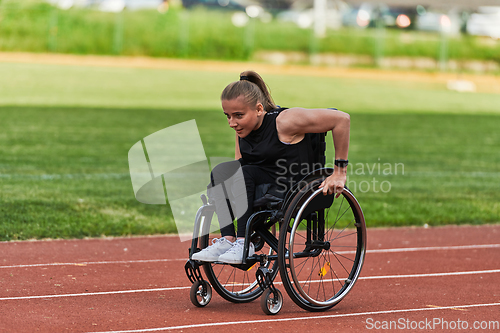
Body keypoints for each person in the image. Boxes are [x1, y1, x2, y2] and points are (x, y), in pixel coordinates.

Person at [192, 70, 350, 264]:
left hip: (290, 181)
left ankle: (244, 244)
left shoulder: (285, 120)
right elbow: (240, 163)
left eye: (238, 116)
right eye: (228, 116)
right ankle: (228, 240)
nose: (232, 123)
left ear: (259, 109)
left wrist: (339, 172)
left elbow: (342, 119)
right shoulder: (243, 128)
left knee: (243, 174)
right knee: (221, 172)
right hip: (260, 178)